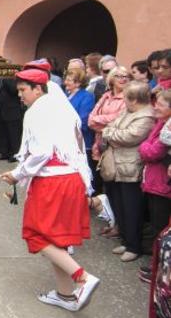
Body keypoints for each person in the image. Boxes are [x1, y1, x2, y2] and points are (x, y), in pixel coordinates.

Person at [0, 68, 99, 312]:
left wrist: (17, 174)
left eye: (23, 90)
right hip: (72, 179)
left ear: (38, 89)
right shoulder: (62, 107)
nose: (20, 95)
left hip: (52, 182)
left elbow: (42, 152)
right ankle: (65, 295)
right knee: (58, 241)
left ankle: (82, 278)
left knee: (36, 235)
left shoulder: (38, 110)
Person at [101, 81, 155, 262]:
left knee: (132, 209)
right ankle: (126, 239)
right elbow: (110, 125)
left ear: (133, 100)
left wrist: (110, 133)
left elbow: (129, 137)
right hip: (118, 166)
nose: (123, 100)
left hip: (131, 168)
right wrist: (112, 132)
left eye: (125, 97)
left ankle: (134, 246)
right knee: (120, 206)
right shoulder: (129, 112)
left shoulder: (146, 117)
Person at [139, 89, 171, 284]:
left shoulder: (167, 127)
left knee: (161, 228)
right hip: (154, 180)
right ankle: (156, 265)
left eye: (160, 103)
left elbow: (151, 152)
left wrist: (143, 148)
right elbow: (147, 147)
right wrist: (144, 147)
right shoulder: (161, 124)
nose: (155, 106)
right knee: (156, 226)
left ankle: (159, 269)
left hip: (162, 184)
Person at [89, 66, 129, 203]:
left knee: (116, 186)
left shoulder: (128, 97)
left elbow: (119, 119)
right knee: (107, 184)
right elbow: (90, 120)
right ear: (111, 79)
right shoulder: (105, 96)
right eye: (119, 76)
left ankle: (118, 222)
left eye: (125, 76)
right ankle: (111, 218)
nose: (123, 79)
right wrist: (101, 122)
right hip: (101, 144)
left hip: (116, 146)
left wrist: (98, 120)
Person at [64, 69, 96, 187]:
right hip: (66, 139)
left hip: (80, 140)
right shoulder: (67, 94)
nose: (65, 82)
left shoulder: (87, 96)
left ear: (78, 83)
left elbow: (83, 120)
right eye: (66, 79)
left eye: (69, 80)